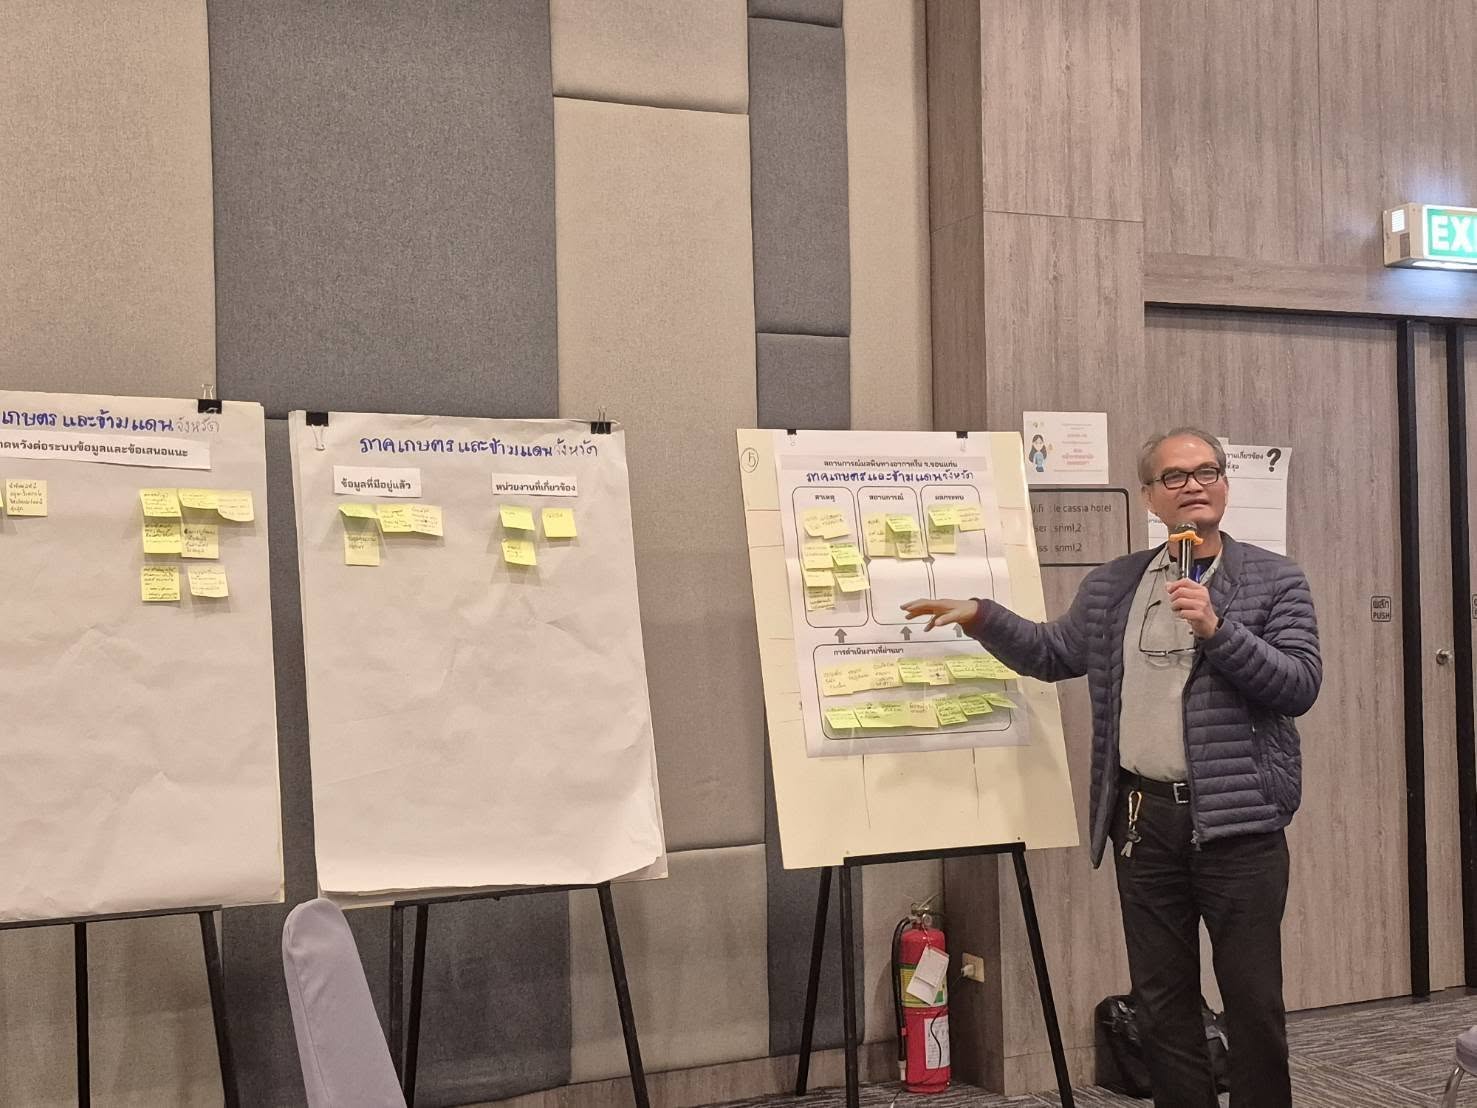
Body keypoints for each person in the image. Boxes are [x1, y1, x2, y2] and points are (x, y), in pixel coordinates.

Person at [903, 427, 1320, 1108]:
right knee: (1162, 1002)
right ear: (1149, 497)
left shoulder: (1275, 579)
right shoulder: (1113, 586)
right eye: (1174, 476)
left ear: (1224, 484)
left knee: (1253, 1004)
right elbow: (1051, 653)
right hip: (1143, 822)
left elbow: (1298, 685)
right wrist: (980, 616)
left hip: (1240, 827)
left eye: (1206, 471)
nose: (1193, 485)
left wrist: (1217, 629)